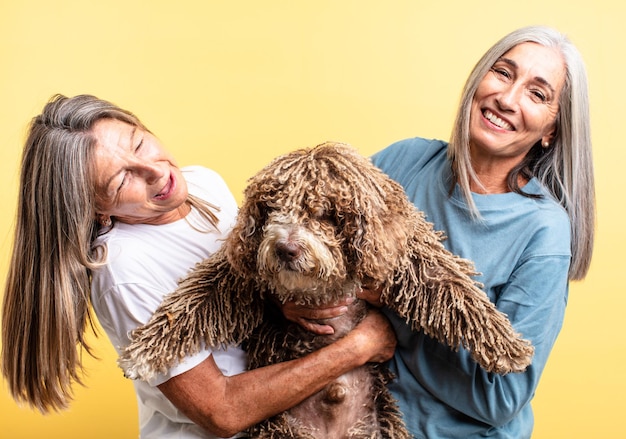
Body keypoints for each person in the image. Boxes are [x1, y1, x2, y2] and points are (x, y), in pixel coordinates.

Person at [1, 94, 397, 438]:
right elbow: (220, 412)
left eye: (139, 144)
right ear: (97, 211)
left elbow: (250, 282)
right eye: (122, 181)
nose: (155, 171)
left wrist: (283, 301)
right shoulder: (122, 271)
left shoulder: (202, 183)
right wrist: (357, 347)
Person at [284, 25, 595, 438]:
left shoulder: (543, 233)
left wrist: (394, 307)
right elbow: (312, 241)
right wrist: (290, 297)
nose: (507, 98)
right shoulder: (405, 160)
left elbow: (500, 398)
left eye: (537, 94)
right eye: (503, 73)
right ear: (478, 78)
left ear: (551, 131)